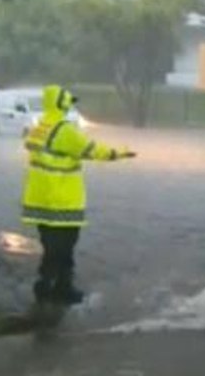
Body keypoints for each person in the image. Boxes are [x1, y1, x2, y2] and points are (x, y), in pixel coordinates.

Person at [21, 85, 134, 305]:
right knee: (64, 246)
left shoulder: (41, 126)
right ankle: (53, 289)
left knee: (51, 246)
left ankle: (53, 287)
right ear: (61, 103)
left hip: (40, 199)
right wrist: (120, 152)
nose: (70, 106)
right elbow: (92, 150)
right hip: (62, 200)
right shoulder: (64, 130)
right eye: (68, 102)